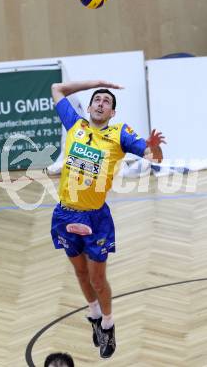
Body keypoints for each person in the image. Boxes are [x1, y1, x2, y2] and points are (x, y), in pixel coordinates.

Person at [50, 80, 166, 359]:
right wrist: (98, 83)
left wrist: (155, 148)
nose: (101, 103)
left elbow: (154, 156)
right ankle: (93, 315)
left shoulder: (119, 134)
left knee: (97, 279)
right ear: (89, 106)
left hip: (95, 218)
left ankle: (108, 324)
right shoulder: (75, 125)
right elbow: (56, 88)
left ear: (113, 112)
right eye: (97, 100)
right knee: (79, 273)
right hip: (65, 213)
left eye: (107, 102)